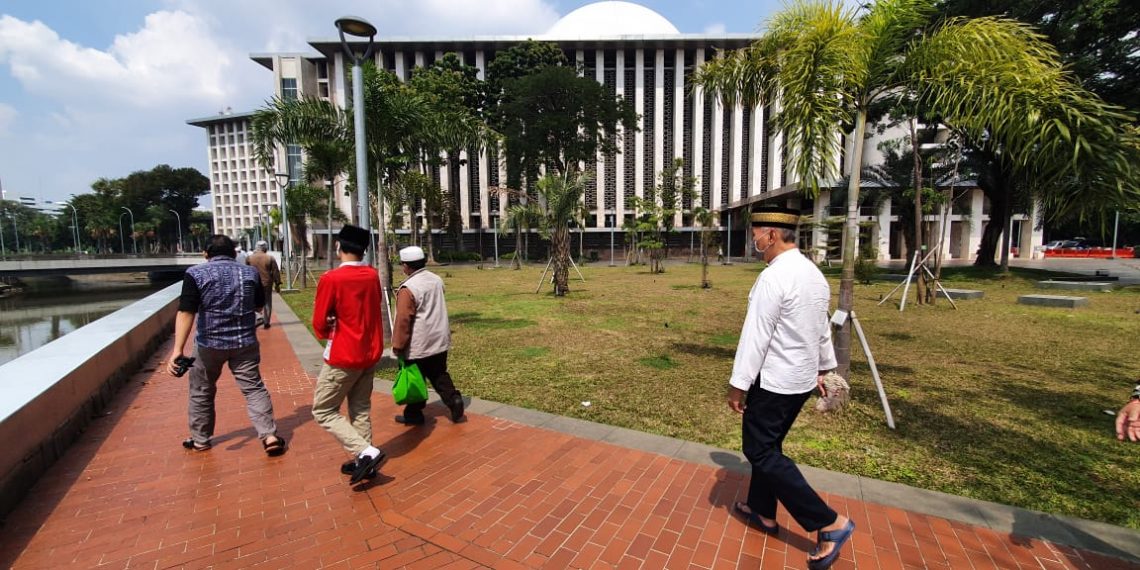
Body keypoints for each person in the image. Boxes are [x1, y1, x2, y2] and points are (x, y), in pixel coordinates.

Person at [727, 206, 853, 570]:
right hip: (800, 381)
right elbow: (821, 329)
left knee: (759, 449)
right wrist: (823, 368)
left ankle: (830, 523)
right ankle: (762, 511)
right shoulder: (813, 274)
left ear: (771, 234)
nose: (753, 238)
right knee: (770, 445)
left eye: (755, 232)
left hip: (776, 381)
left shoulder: (774, 277)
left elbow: (756, 337)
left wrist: (738, 385)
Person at [167, 235, 286, 456]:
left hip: (208, 344)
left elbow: (186, 312)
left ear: (205, 254)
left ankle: (200, 440)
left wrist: (177, 350)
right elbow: (259, 306)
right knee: (253, 389)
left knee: (201, 391)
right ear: (234, 253)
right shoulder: (249, 273)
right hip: (244, 343)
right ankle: (269, 436)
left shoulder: (195, 274)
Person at [311, 226, 388, 483]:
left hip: (344, 354)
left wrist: (332, 320)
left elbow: (320, 324)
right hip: (369, 351)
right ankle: (364, 462)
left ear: (338, 246)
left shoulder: (331, 279)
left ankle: (365, 451)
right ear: (363, 249)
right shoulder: (372, 275)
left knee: (323, 410)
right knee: (360, 408)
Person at [391, 246, 465, 426]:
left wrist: (398, 345)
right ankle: (453, 399)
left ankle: (414, 415)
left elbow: (403, 319)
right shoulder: (436, 280)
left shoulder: (408, 288)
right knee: (439, 374)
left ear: (407, 266)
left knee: (415, 379)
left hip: (419, 343)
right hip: (439, 339)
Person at [247, 240, 282, 329]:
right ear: (265, 248)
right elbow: (275, 272)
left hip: (253, 283)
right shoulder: (270, 258)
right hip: (266, 283)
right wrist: (277, 284)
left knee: (252, 302)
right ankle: (266, 321)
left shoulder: (249, 258)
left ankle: (255, 319)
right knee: (267, 302)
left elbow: (245, 271)